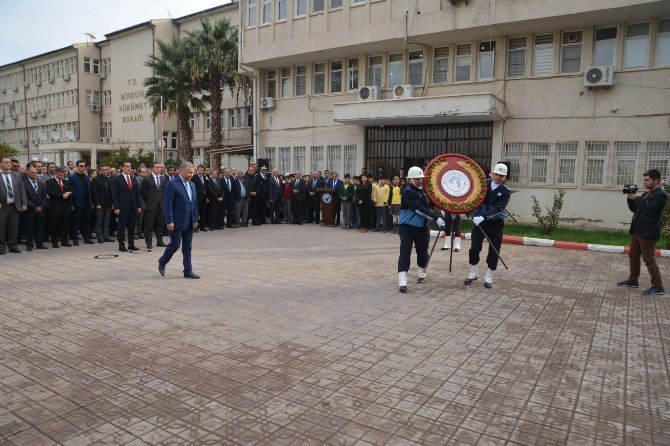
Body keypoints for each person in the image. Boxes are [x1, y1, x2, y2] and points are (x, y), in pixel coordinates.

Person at [617, 169, 667, 295]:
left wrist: (637, 198)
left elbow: (649, 208)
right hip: (637, 231)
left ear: (656, 181)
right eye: (644, 180)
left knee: (648, 259)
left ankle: (658, 286)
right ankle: (633, 280)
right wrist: (630, 198)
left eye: (647, 180)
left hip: (648, 232)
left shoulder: (660, 195)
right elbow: (635, 209)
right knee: (633, 256)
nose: (644, 182)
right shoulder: (646, 194)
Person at [397, 166, 445, 293]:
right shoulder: (408, 192)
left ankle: (422, 270)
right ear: (410, 179)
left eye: (421, 178)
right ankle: (402, 280)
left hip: (421, 228)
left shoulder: (423, 191)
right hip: (406, 227)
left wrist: (443, 208)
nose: (420, 180)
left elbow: (429, 204)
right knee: (405, 252)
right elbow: (418, 209)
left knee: (422, 252)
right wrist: (435, 218)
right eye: (418, 178)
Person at [465, 163, 511, 289]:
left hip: (495, 224)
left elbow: (498, 208)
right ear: (492, 173)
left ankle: (489, 275)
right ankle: (473, 272)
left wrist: (483, 216)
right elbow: (472, 198)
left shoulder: (506, 191)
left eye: (501, 175)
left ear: (505, 177)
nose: (498, 177)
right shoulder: (482, 184)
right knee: (474, 248)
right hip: (479, 223)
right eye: (496, 174)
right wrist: (467, 209)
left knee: (494, 250)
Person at [158, 162, 200, 279]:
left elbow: (194, 203)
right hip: (176, 221)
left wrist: (195, 218)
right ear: (181, 170)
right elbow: (168, 204)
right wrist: (169, 221)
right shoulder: (172, 184)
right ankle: (162, 261)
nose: (192, 174)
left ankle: (188, 270)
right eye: (190, 172)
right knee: (175, 244)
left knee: (188, 247)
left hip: (190, 220)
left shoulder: (192, 184)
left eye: (193, 172)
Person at [111, 161, 142, 252]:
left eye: (130, 166)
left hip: (133, 207)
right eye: (127, 166)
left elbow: (136, 194)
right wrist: (116, 207)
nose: (129, 168)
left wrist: (138, 205)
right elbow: (115, 194)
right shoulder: (117, 179)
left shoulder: (133, 179)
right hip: (122, 207)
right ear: (122, 167)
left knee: (132, 227)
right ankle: (121, 245)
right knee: (121, 227)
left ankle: (131, 244)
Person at [0, 156, 28, 254]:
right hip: (2, 207)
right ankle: (1, 247)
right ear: (1, 164)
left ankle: (13, 246)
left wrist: (24, 203)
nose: (9, 164)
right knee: (1, 227)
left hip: (14, 206)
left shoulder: (16, 175)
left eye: (9, 162)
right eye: (6, 162)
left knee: (13, 227)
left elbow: (22, 190)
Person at [140, 162, 167, 249]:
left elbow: (165, 191)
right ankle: (149, 242)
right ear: (152, 168)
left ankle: (160, 241)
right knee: (149, 225)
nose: (159, 169)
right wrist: (147, 200)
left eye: (160, 167)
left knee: (160, 224)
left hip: (161, 205)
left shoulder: (163, 178)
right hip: (151, 205)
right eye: (157, 167)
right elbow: (142, 192)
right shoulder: (147, 178)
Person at [68, 160, 95, 245]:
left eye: (84, 166)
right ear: (77, 167)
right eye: (81, 166)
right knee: (76, 222)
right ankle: (75, 239)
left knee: (86, 221)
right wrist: (72, 204)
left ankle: (86, 238)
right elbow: (70, 192)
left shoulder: (87, 177)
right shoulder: (72, 178)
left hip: (87, 203)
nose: (83, 167)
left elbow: (90, 191)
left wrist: (91, 202)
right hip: (77, 203)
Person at [45, 167, 73, 248]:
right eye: (60, 175)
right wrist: (62, 196)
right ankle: (55, 242)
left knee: (65, 225)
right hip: (55, 207)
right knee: (54, 225)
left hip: (65, 207)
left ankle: (65, 241)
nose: (62, 177)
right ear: (56, 174)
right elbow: (50, 193)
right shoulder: (49, 182)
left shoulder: (66, 182)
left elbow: (72, 192)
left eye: (63, 175)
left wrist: (68, 194)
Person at [23, 165, 49, 251]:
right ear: (28, 173)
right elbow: (25, 198)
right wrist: (34, 207)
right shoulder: (24, 184)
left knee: (40, 228)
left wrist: (42, 207)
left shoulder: (41, 184)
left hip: (41, 210)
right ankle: (29, 244)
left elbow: (45, 197)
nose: (34, 174)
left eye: (35, 173)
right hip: (31, 210)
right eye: (32, 173)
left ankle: (40, 243)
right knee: (30, 228)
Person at [92, 165, 114, 243]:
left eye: (106, 170)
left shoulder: (108, 179)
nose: (105, 171)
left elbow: (110, 192)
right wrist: (97, 203)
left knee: (106, 221)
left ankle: (106, 236)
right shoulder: (96, 180)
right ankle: (99, 237)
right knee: (99, 221)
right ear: (99, 171)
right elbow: (95, 193)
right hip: (100, 203)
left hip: (108, 203)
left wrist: (112, 203)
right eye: (103, 170)